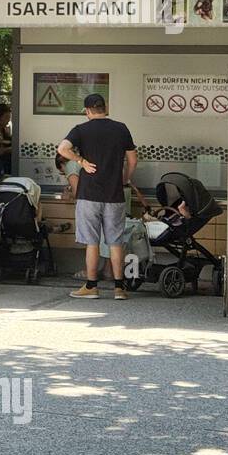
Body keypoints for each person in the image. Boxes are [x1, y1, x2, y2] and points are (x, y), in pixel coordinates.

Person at [58, 93, 137, 300]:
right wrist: (125, 179)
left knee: (92, 242)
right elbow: (132, 159)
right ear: (105, 107)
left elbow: (62, 149)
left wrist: (81, 161)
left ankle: (91, 287)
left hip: (89, 194)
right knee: (115, 241)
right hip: (115, 195)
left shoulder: (81, 130)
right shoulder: (121, 128)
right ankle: (119, 288)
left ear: (87, 111)